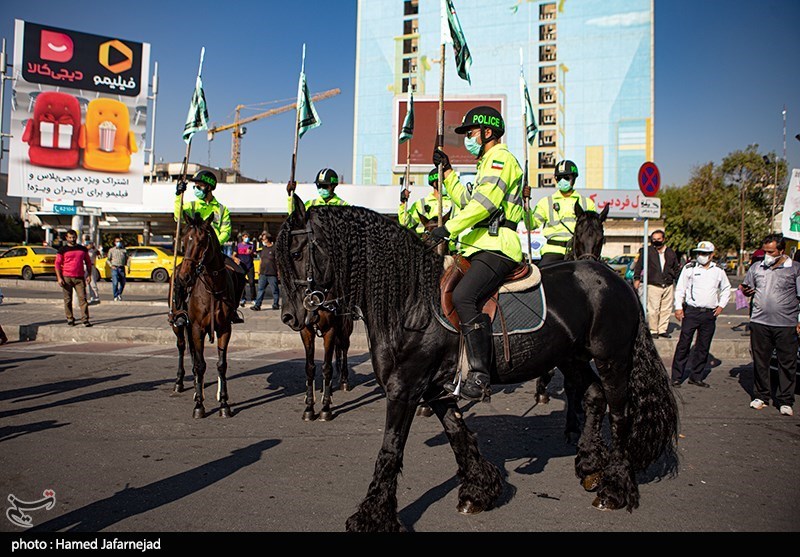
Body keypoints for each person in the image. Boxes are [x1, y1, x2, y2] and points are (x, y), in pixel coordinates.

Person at [429, 106, 524, 401]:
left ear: (487, 132)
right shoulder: (485, 164)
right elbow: (468, 200)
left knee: (463, 297)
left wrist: (449, 228)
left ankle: (481, 376)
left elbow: (484, 205)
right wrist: (448, 175)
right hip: (479, 244)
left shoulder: (500, 159)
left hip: (498, 246)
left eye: (470, 133)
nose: (467, 139)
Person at [172, 169, 245, 326]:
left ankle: (232, 310)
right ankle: (179, 312)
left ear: (209, 188)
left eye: (199, 186)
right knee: (178, 275)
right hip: (194, 254)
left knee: (239, 272)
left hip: (214, 253)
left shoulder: (221, 209)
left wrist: (212, 246)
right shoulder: (191, 206)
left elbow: (226, 231)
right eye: (195, 186)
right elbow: (178, 217)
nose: (196, 189)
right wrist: (178, 196)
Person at [740, 234, 800, 416]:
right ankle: (761, 396)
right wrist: (746, 290)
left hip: (786, 324)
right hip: (760, 322)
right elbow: (746, 288)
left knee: (787, 363)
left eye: (771, 252)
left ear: (781, 251)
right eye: (765, 251)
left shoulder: (795, 269)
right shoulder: (757, 267)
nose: (767, 255)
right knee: (761, 361)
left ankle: (785, 400)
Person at [670, 241, 731, 388]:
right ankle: (677, 377)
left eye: (704, 254)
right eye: (699, 253)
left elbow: (726, 288)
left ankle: (696, 376)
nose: (701, 256)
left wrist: (721, 305)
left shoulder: (718, 270)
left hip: (709, 314)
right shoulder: (689, 268)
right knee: (684, 344)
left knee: (703, 346)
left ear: (711, 255)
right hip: (691, 312)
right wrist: (678, 307)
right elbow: (680, 289)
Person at [523, 159, 596, 266]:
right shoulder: (546, 202)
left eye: (566, 178)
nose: (562, 181)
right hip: (552, 252)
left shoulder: (587, 203)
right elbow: (530, 225)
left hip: (578, 253)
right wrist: (526, 206)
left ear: (574, 178)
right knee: (540, 276)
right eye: (559, 178)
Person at [633, 229, 681, 338]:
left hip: (668, 284)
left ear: (663, 239)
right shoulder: (647, 251)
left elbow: (676, 268)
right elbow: (639, 266)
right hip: (653, 284)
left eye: (659, 239)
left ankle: (662, 329)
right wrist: (637, 279)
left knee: (666, 309)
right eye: (654, 239)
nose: (656, 241)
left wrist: (679, 283)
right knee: (653, 309)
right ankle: (653, 330)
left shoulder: (670, 253)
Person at [54, 229, 93, 327]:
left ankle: (85, 319)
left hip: (80, 277)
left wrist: (89, 275)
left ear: (76, 237)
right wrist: (59, 278)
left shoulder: (82, 249)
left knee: (83, 299)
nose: (72, 239)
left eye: (74, 237)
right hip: (66, 277)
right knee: (67, 300)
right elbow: (57, 264)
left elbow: (88, 262)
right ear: (66, 238)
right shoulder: (62, 250)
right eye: (70, 237)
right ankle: (70, 318)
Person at [399, 168, 455, 235]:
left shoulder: (453, 203)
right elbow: (405, 223)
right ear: (434, 183)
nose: (447, 184)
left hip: (448, 244)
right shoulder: (420, 204)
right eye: (444, 181)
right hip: (426, 243)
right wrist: (403, 203)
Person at [251, 232, 280, 311]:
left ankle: (275, 304)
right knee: (260, 290)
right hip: (263, 273)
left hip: (272, 273)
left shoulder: (274, 249)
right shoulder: (263, 248)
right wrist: (259, 270)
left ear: (268, 239)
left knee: (275, 290)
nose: (263, 240)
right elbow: (261, 260)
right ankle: (257, 305)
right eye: (262, 239)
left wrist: (278, 272)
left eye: (264, 239)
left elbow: (278, 261)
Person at [236, 231, 256, 307]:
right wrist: (236, 259)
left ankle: (253, 298)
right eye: (245, 236)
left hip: (250, 266)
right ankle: (242, 298)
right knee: (242, 283)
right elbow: (234, 255)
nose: (246, 238)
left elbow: (255, 255)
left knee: (252, 283)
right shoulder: (238, 246)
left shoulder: (251, 245)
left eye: (247, 236)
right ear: (242, 237)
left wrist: (251, 252)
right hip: (242, 266)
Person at [106, 237, 129, 302]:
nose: (118, 243)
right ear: (115, 242)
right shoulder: (112, 250)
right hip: (114, 268)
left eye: (120, 241)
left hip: (121, 267)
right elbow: (108, 260)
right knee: (115, 282)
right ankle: (115, 296)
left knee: (123, 282)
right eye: (117, 241)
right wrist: (111, 265)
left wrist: (128, 266)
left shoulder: (124, 250)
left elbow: (127, 258)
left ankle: (119, 293)